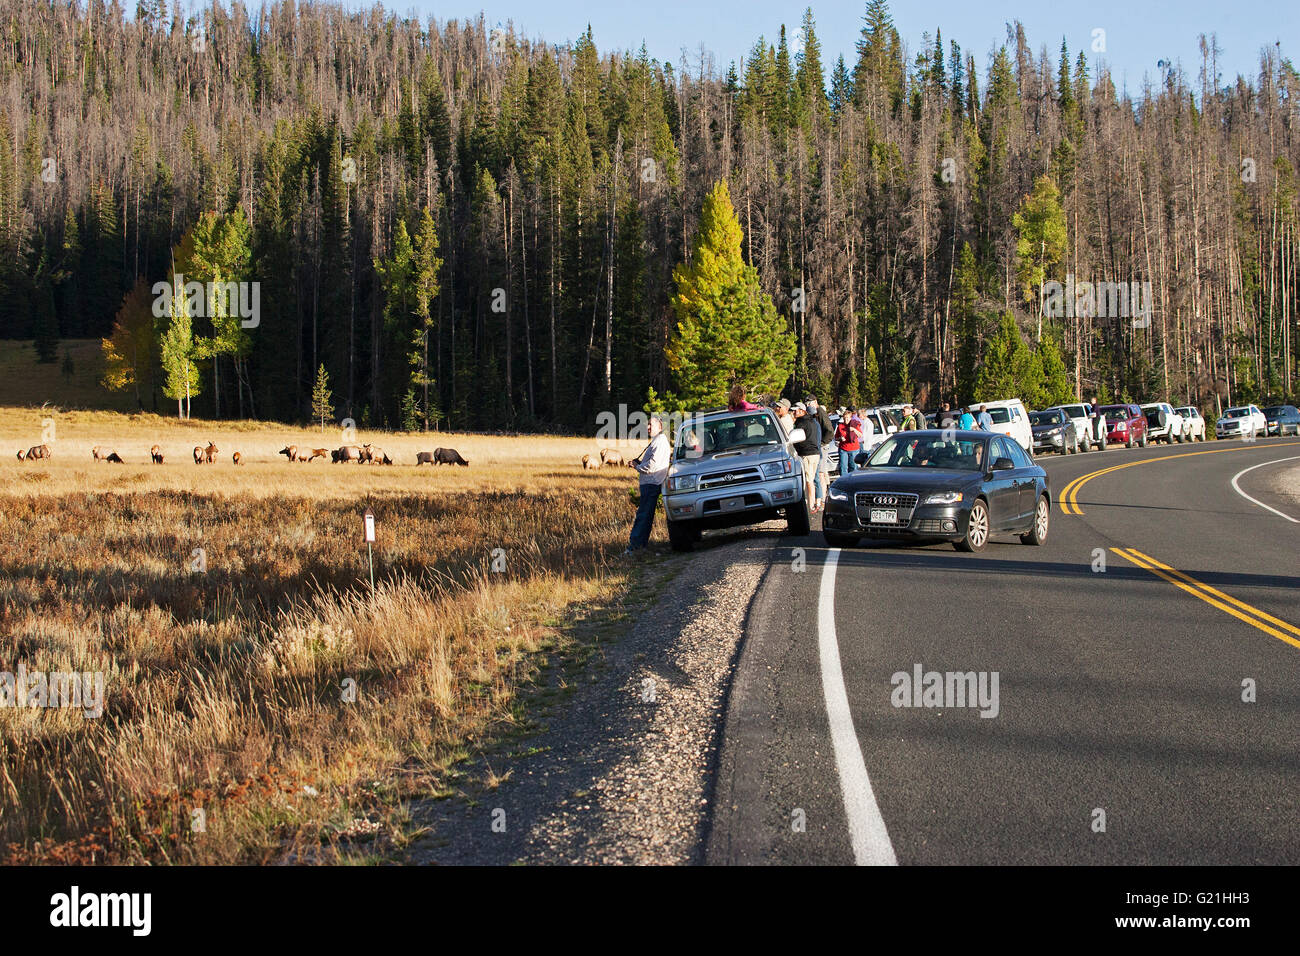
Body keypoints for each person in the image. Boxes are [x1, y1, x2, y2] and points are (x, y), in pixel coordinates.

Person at [626, 415, 670, 554]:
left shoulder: (660, 441)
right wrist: (639, 464)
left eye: (651, 424)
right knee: (645, 515)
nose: (648, 427)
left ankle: (634, 547)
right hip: (650, 483)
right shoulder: (657, 441)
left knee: (643, 515)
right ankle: (640, 546)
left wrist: (637, 467)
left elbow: (652, 465)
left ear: (660, 426)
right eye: (648, 424)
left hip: (651, 483)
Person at [792, 403, 822, 512]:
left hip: (807, 454)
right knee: (812, 478)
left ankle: (811, 505)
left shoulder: (801, 423)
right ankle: (813, 502)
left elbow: (798, 440)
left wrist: (796, 448)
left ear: (802, 411)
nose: (794, 412)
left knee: (809, 480)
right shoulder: (813, 422)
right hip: (816, 453)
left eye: (796, 411)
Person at [835, 411, 862, 476]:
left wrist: (854, 430)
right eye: (844, 418)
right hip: (843, 449)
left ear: (850, 418)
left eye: (847, 418)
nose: (845, 420)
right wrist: (840, 438)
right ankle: (844, 481)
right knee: (842, 466)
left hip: (854, 449)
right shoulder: (840, 426)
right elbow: (836, 438)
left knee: (853, 466)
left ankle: (853, 481)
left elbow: (860, 435)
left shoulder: (854, 424)